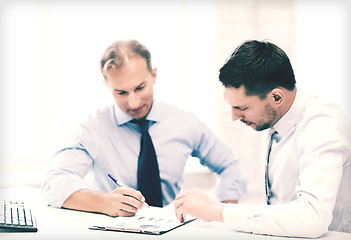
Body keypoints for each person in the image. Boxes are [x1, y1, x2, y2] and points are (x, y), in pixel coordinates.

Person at [41, 39, 247, 217]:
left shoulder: (185, 123)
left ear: (154, 75)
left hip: (171, 230)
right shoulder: (91, 128)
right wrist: (104, 202)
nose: (133, 103)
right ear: (106, 86)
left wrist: (222, 213)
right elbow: (54, 183)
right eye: (121, 93)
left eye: (140, 88)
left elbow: (229, 165)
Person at [174, 40, 351, 238]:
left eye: (241, 108)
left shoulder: (322, 126)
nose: (234, 117)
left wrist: (216, 211)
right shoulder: (275, 116)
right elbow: (280, 204)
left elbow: (311, 217)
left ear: (276, 97)